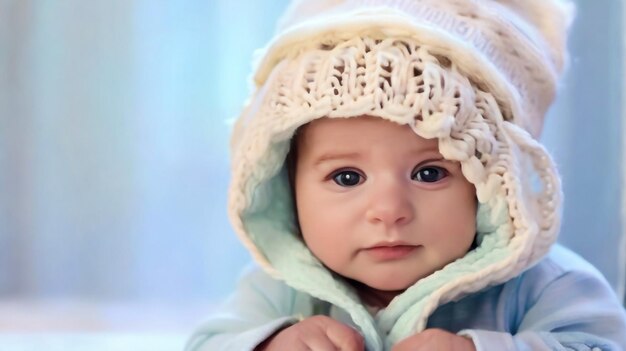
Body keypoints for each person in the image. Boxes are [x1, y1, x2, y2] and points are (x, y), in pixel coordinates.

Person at [186, 0, 626, 350]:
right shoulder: (281, 288)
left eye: (430, 172)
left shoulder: (546, 286)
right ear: (284, 185)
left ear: (492, 185)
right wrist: (271, 345)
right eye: (347, 178)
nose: (389, 211)